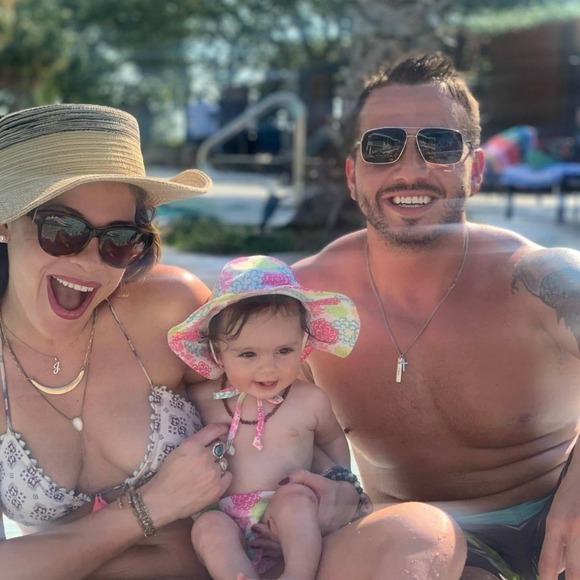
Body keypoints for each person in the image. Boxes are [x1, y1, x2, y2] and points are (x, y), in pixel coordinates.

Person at [0, 102, 466, 579]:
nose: (90, 261)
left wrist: (338, 490)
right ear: (5, 223)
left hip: (251, 559)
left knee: (423, 533)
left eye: (119, 239)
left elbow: (282, 397)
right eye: (62, 231)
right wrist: (149, 507)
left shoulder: (168, 309)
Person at [293, 52, 580, 579]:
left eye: (440, 145)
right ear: (353, 175)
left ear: (476, 170)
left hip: (561, 520)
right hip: (420, 549)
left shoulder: (541, 279)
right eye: (382, 147)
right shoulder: (301, 302)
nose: (410, 170)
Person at [168, 254, 359, 579]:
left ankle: (297, 574)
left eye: (284, 351)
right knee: (208, 526)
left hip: (289, 514)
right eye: (248, 354)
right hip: (227, 515)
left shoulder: (310, 400)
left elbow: (332, 440)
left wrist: (340, 484)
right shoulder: (201, 399)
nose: (269, 368)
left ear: (302, 343)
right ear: (217, 353)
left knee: (296, 499)